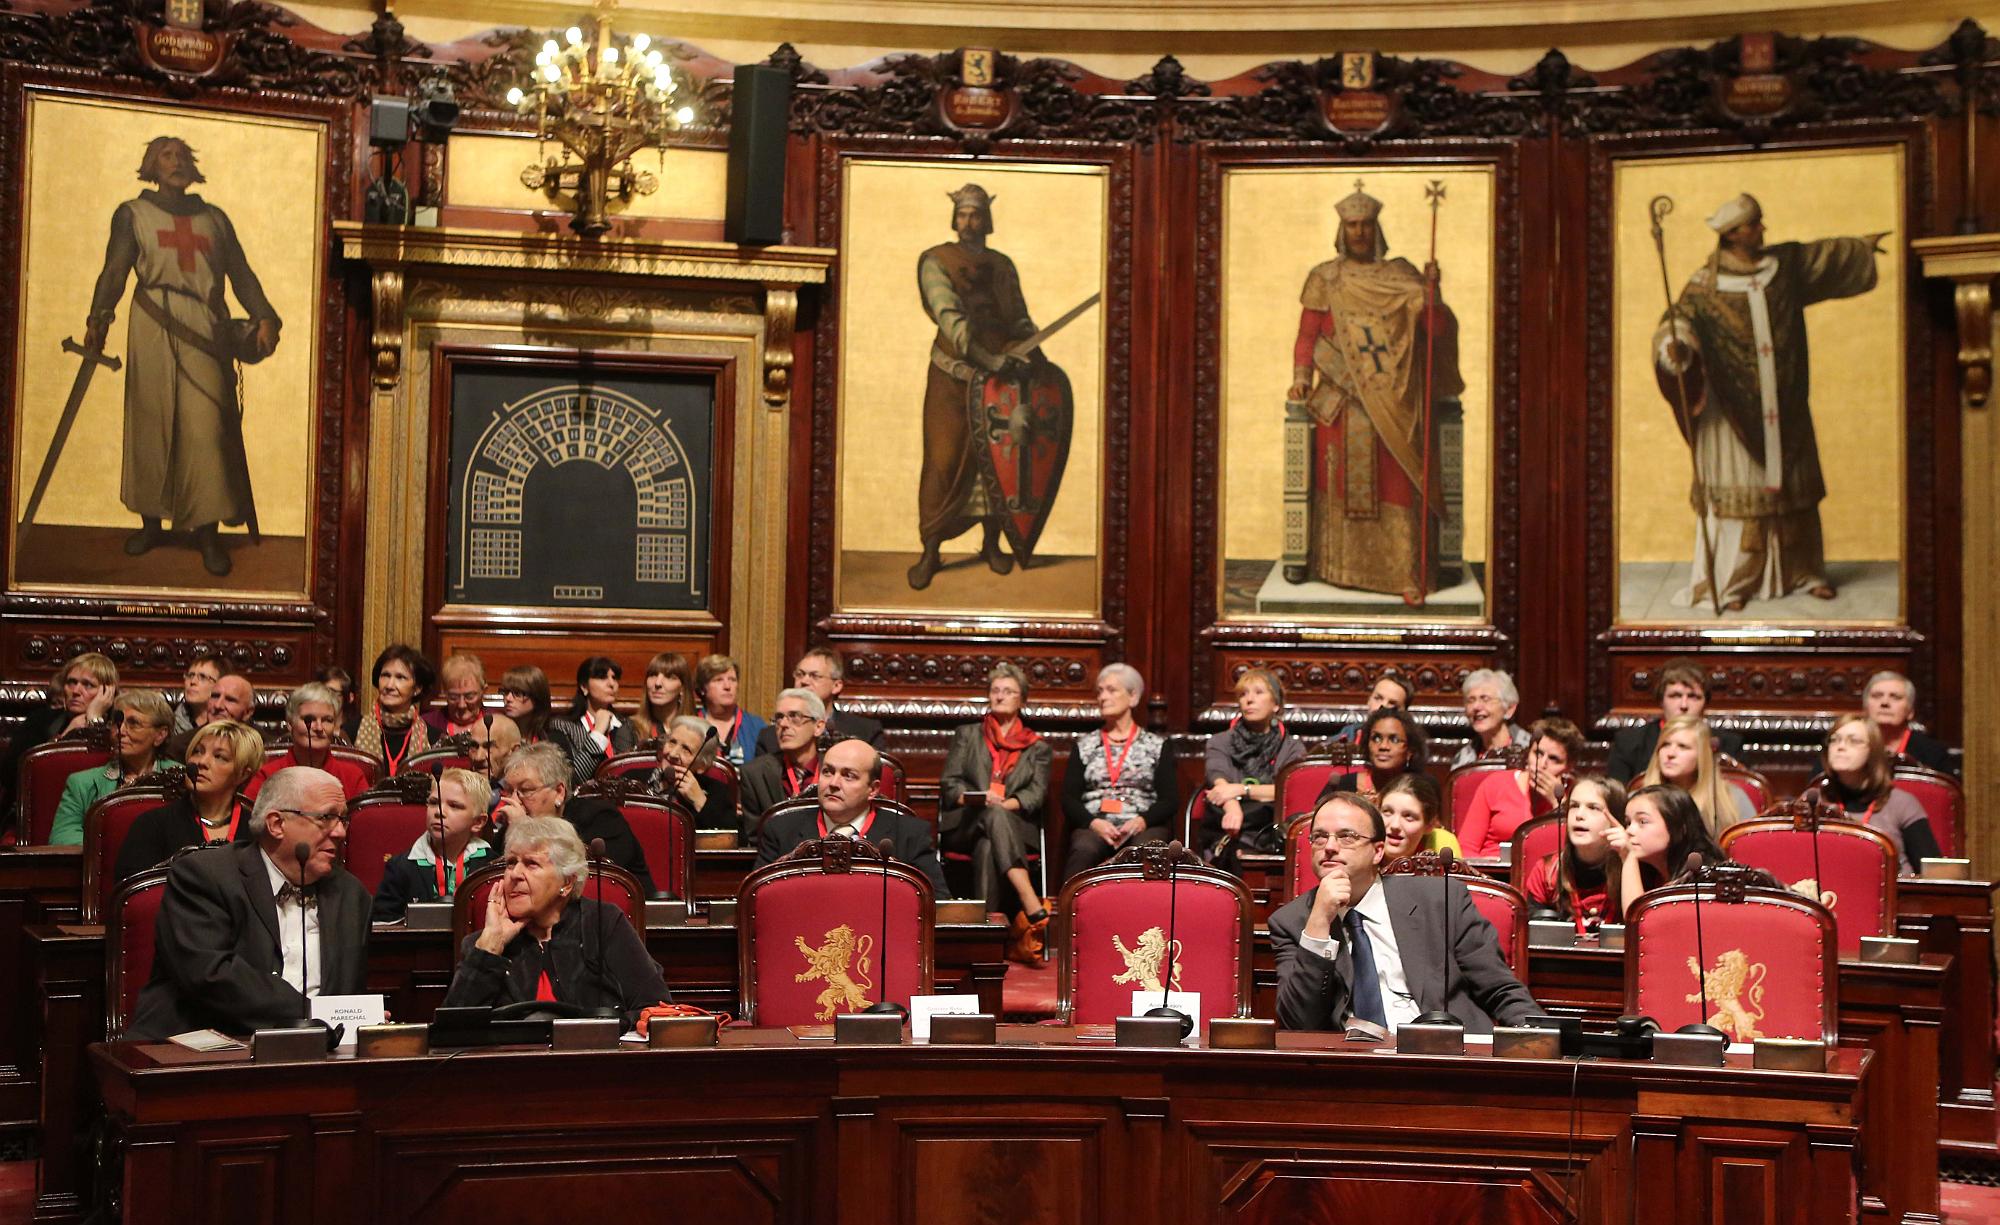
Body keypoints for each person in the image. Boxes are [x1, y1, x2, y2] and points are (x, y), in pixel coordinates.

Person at [1653, 193, 1887, 610]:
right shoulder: (1705, 287)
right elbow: (1678, 321)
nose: (1763, 229)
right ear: (1733, 234)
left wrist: (1862, 248)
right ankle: (1735, 584)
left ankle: (1806, 572)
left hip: (1785, 402)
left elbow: (1825, 258)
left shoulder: (1784, 269)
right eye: (1755, 224)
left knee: (1794, 492)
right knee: (1742, 497)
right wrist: (1675, 345)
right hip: (1731, 412)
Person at [84, 136, 281, 578]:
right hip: (152, 324)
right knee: (151, 424)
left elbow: (242, 275)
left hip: (204, 329)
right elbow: (115, 270)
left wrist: (264, 314)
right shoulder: (132, 215)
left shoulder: (214, 219)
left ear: (193, 168)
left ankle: (206, 532)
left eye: (182, 157)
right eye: (166, 156)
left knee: (205, 428)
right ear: (150, 167)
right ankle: (151, 524)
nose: (176, 163)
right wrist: (100, 316)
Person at [1285, 180, 1463, 604]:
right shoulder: (1325, 277)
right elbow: (1307, 335)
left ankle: (1404, 574)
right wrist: (1301, 376)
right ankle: (1339, 569)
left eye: (1366, 225)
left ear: (1376, 229)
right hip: (1340, 402)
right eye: (1352, 226)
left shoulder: (1402, 275)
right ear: (1342, 230)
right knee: (1342, 484)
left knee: (1398, 483)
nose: (1360, 233)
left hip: (1396, 400)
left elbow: (1434, 331)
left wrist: (1432, 295)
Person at [909, 182, 1073, 590]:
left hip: (1000, 383)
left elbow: (1017, 316)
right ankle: (931, 550)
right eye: (963, 214)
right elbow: (951, 319)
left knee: (997, 464)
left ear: (987, 219)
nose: (969, 222)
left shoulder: (1003, 265)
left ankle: (992, 544)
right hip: (954, 379)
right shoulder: (935, 261)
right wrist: (986, 358)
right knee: (943, 463)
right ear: (955, 218)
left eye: (976, 214)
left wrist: (1029, 351)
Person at [126, 766, 367, 1040]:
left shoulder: (351, 894)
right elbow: (211, 976)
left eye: (343, 820)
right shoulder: (204, 876)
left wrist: (359, 1016)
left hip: (318, 1056)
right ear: (276, 824)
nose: (340, 833)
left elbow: (349, 989)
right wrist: (313, 1013)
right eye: (326, 818)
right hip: (203, 1048)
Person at [1270, 792, 1539, 1034]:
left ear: (1377, 851)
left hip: (1445, 1061)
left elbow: (1499, 989)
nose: (1329, 846)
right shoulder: (1293, 922)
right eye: (1319, 837)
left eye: (1346, 836)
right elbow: (1298, 1023)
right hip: (1353, 1071)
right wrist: (1318, 925)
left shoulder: (1440, 900)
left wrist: (1540, 1040)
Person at [442, 814, 674, 1031]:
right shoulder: (482, 944)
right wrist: (490, 947)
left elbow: (655, 1008)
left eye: (531, 864)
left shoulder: (602, 923)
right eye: (511, 863)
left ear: (567, 882)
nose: (515, 874)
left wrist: (607, 1027)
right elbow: (451, 1031)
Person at [938, 663, 1052, 962]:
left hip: (1013, 827)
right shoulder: (967, 735)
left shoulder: (1037, 747)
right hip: (965, 822)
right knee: (989, 816)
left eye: (1008, 691)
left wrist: (1002, 804)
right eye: (995, 690)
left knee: (990, 836)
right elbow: (949, 785)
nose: (1000, 696)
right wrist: (975, 798)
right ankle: (1029, 897)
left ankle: (985, 939)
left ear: (1022, 700)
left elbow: (1035, 795)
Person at [755, 737, 947, 894]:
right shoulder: (781, 829)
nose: (834, 783)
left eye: (849, 775)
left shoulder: (909, 834)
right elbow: (757, 898)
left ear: (873, 789)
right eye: (828, 772)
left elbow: (937, 901)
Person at [492, 742, 654, 896]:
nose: (515, 799)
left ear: (559, 792)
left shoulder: (601, 819)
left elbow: (592, 882)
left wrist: (524, 831)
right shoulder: (511, 827)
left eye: (526, 790)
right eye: (508, 791)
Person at [1062, 665, 1178, 880]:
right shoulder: (1085, 745)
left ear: (1133, 697)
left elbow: (1169, 800)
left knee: (1149, 849)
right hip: (1096, 822)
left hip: (1141, 823)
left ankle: (1150, 913)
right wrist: (1094, 823)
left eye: (1111, 690)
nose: (1103, 697)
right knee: (1084, 849)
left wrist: (1141, 821)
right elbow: (1069, 799)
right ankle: (1071, 911)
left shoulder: (1156, 745)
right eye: (1100, 691)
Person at [113, 720, 265, 883]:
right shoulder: (152, 824)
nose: (201, 762)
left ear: (243, 774)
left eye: (219, 757)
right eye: (198, 751)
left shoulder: (257, 831)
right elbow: (135, 896)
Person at [1606, 783, 1765, 919]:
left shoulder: (1703, 877)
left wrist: (1628, 857)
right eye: (1628, 822)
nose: (1629, 831)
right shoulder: (1648, 873)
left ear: (1679, 828)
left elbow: (1641, 924)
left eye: (1642, 822)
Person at [1198, 668, 1306, 865]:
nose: (1249, 699)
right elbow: (1218, 780)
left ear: (1276, 704)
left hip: (1270, 828)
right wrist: (1232, 807)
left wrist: (1241, 789)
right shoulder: (1220, 741)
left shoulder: (1291, 747)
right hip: (1227, 824)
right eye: (1243, 694)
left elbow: (1288, 790)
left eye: (1258, 692)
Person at [49, 690, 178, 846]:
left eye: (134, 724)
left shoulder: (180, 779)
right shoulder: (82, 783)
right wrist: (112, 850)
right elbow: (62, 836)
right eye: (117, 722)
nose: (121, 731)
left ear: (160, 735)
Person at [1820, 713, 1941, 875]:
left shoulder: (1902, 804)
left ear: (1874, 751)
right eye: (1834, 740)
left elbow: (1933, 875)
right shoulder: (1815, 802)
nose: (1840, 746)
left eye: (1853, 741)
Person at [372, 768, 499, 922]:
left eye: (454, 806)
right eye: (433, 802)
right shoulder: (401, 867)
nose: (439, 812)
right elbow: (382, 924)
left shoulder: (492, 867)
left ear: (478, 822)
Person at [3, 652, 120, 810]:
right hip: (40, 808)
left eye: (88, 685)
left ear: (107, 692)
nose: (76, 691)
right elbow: (12, 776)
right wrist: (67, 734)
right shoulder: (40, 720)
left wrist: (94, 720)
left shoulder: (120, 728)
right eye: (71, 682)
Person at [1456, 716, 1585, 859]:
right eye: (1538, 753)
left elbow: (1574, 852)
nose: (1541, 765)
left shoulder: (1575, 794)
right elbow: (1466, 848)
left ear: (1569, 766)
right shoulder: (1495, 784)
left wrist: (1558, 804)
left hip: (1545, 875)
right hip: (1492, 872)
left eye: (1554, 759)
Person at [1606, 657, 1745, 783]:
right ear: (1661, 701)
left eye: (1693, 697)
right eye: (1675, 696)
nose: (1684, 705)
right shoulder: (1629, 743)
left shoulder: (1728, 744)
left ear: (1705, 703)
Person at [1524, 775, 1625, 933]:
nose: (1579, 815)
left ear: (1616, 819)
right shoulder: (1547, 871)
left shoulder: (1633, 869)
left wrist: (1629, 858)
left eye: (1593, 808)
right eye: (1574, 806)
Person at [247, 683, 369, 801]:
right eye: (309, 719)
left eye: (327, 720)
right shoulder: (268, 774)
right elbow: (248, 819)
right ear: (290, 723)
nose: (319, 728)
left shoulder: (352, 776)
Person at [753, 648, 885, 756]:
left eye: (814, 676)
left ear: (836, 686)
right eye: (800, 674)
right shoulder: (770, 737)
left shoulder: (865, 732)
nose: (804, 681)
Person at [1639, 714, 1755, 835]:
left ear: (1702, 755)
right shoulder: (1638, 799)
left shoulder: (1733, 799)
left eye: (1683, 746)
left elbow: (1750, 847)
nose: (1670, 753)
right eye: (1665, 744)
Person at [739, 689, 826, 835]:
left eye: (794, 716)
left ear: (818, 727)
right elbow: (754, 838)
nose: (783, 724)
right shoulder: (755, 774)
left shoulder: (836, 769)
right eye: (779, 717)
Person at [496, 664, 598, 785]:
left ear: (537, 697)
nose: (508, 698)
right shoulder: (496, 734)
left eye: (517, 693)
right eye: (505, 692)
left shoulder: (554, 739)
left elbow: (570, 783)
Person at [1315, 707, 1427, 807]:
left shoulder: (1421, 789)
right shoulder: (1343, 784)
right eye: (1376, 738)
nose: (1383, 746)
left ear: (1410, 751)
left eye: (1394, 740)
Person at [354, 645, 433, 776]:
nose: (389, 685)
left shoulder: (433, 737)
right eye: (385, 675)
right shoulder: (352, 731)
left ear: (417, 688)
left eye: (400, 677)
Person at [646, 715, 734, 831]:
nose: (672, 754)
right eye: (672, 742)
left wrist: (700, 802)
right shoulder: (632, 778)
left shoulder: (717, 793)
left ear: (702, 765)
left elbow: (734, 840)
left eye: (686, 749)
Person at [1862, 671, 1954, 775]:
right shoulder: (1849, 745)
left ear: (1910, 711)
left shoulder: (1934, 753)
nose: (1885, 702)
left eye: (1895, 697)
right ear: (1865, 708)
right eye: (1877, 696)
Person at [164, 671, 256, 763]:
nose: (218, 705)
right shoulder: (179, 746)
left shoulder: (265, 747)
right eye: (215, 696)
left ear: (248, 712)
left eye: (230, 700)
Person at [695, 654, 765, 767]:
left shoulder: (757, 726)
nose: (727, 686)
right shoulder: (690, 725)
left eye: (732, 680)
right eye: (718, 680)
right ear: (703, 688)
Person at [1450, 669, 1529, 768]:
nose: (1476, 707)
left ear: (1509, 708)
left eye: (1485, 699)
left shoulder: (1530, 751)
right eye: (1471, 700)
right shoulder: (1463, 758)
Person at [1378, 773, 1460, 862]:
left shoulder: (1443, 844)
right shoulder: (1363, 840)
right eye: (1387, 812)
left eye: (1408, 816)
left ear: (1430, 825)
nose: (1395, 825)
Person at [570, 656, 637, 758]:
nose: (611, 684)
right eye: (602, 677)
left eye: (614, 678)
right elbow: (577, 773)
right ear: (584, 686)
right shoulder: (566, 727)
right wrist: (599, 731)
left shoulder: (627, 725)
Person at [629, 651, 695, 745]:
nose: (658, 683)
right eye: (653, 675)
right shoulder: (631, 728)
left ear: (682, 688)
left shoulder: (697, 731)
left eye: (669, 677)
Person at [422, 653, 493, 741]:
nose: (461, 705)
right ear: (445, 693)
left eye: (469, 697)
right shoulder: (425, 725)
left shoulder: (498, 724)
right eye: (453, 697)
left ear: (484, 692)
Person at [1333, 671, 1413, 743]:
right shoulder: (1349, 735)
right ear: (1369, 700)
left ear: (1404, 712)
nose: (1383, 706)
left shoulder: (1411, 746)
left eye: (1392, 703)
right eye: (1378, 698)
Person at [166, 653, 223, 736]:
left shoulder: (227, 728)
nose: (192, 682)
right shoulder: (169, 725)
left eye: (203, 677)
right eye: (190, 675)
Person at [314, 664, 361, 743]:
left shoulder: (359, 728)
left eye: (332, 692)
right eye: (323, 691)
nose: (326, 697)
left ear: (350, 698)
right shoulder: (313, 726)